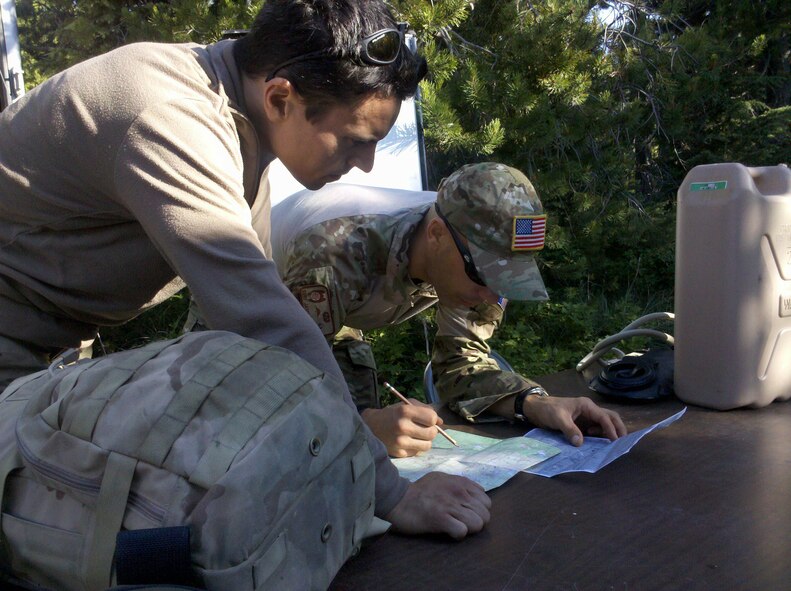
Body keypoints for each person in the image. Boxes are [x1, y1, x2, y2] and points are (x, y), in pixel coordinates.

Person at [0, 0, 490, 540]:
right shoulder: (169, 117)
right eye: (355, 140)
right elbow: (265, 323)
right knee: (51, 546)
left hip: (50, 345)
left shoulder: (241, 128)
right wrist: (390, 491)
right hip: (11, 341)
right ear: (281, 97)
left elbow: (251, 334)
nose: (367, 163)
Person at [189, 162, 626, 457]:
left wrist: (533, 403)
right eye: (486, 277)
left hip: (336, 307)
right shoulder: (335, 254)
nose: (494, 297)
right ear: (434, 234)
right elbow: (278, 380)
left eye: (507, 281)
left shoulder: (470, 257)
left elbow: (462, 368)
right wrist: (362, 426)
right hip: (256, 299)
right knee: (230, 431)